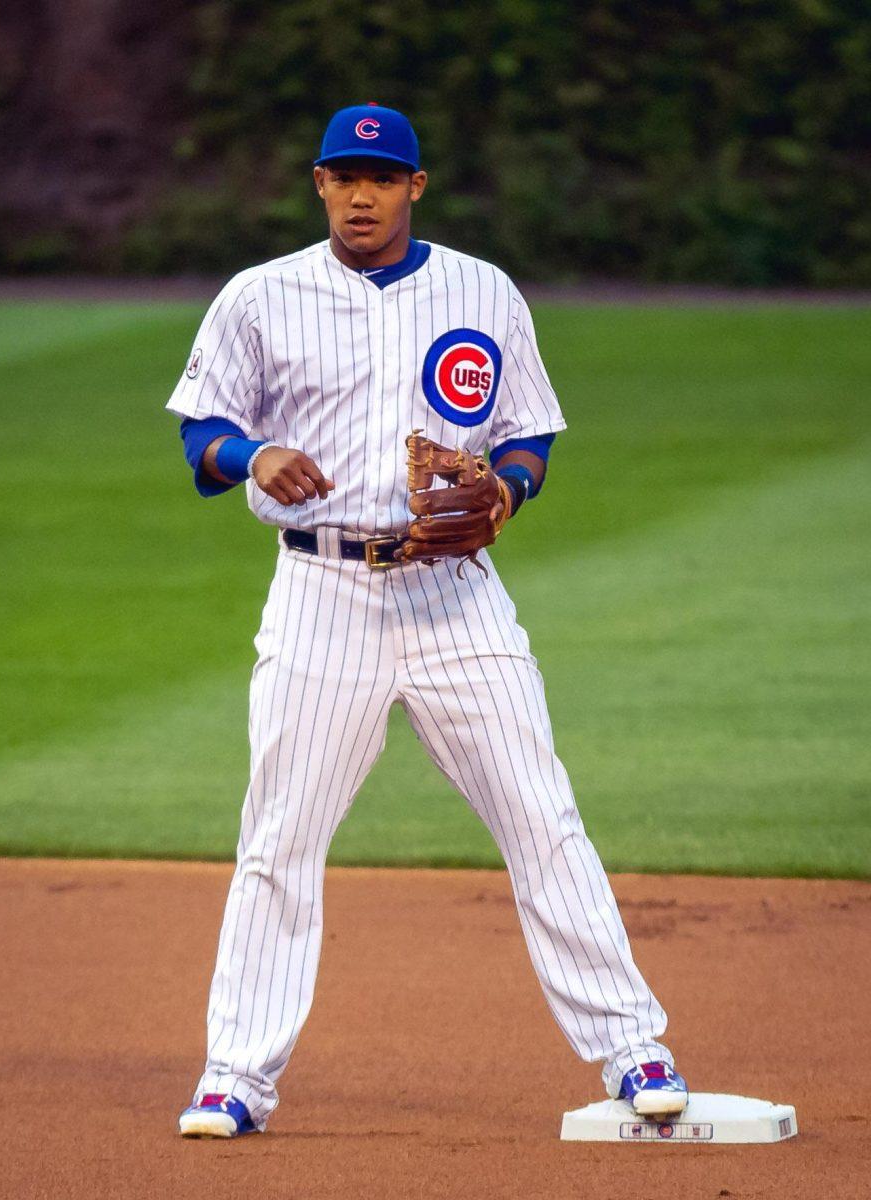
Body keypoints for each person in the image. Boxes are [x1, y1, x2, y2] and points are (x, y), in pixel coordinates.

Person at [166, 104, 688, 1138]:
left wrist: (505, 495)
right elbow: (204, 432)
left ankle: (634, 1049)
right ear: (317, 182)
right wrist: (250, 457)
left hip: (454, 599)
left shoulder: (482, 291)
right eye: (343, 175)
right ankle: (235, 1076)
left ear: (417, 187)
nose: (362, 194)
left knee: (542, 817)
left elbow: (528, 433)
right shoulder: (259, 297)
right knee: (280, 838)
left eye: (382, 177)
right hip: (322, 596)